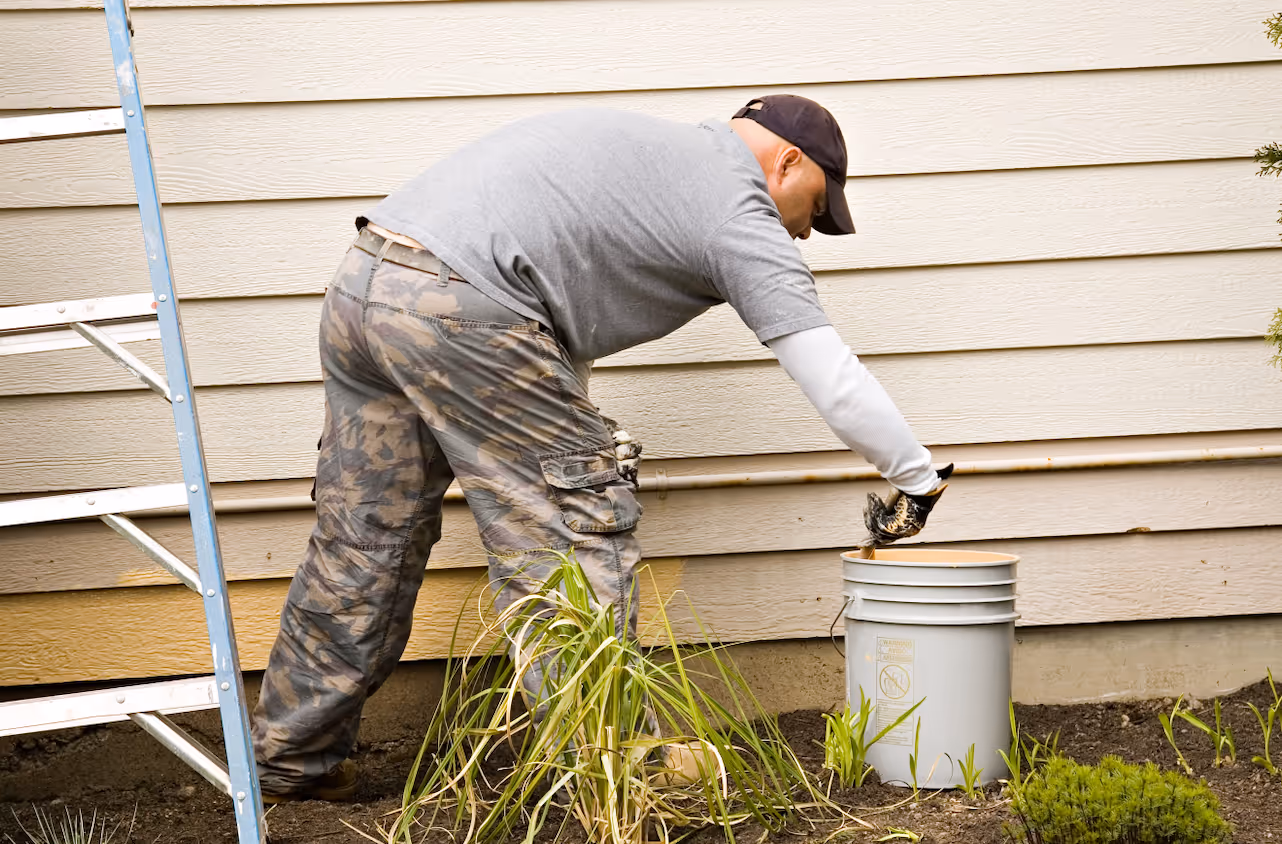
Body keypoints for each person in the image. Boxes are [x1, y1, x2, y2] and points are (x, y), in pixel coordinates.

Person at [250, 94, 952, 802]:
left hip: (367, 278)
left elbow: (546, 301)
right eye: (818, 208)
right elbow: (832, 379)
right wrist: (917, 477)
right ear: (788, 161)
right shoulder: (739, 212)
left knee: (366, 535)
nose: (807, 232)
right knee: (571, 531)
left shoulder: (652, 154)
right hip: (458, 304)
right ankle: (614, 772)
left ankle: (291, 753)